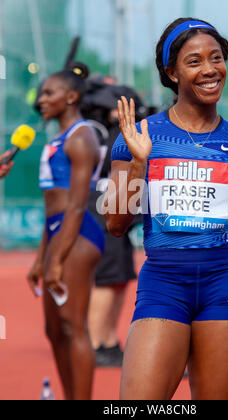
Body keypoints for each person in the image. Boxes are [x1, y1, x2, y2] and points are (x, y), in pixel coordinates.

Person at [104, 18, 228, 400]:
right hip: (164, 284)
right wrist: (139, 165)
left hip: (225, 287)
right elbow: (116, 224)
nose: (209, 69)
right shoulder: (136, 138)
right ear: (171, 72)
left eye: (216, 58)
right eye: (194, 61)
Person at [27, 64, 105, 400]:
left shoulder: (82, 136)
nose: (40, 100)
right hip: (57, 233)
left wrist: (56, 258)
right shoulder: (58, 138)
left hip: (78, 234)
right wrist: (41, 257)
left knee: (73, 326)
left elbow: (75, 206)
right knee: (54, 330)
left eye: (48, 93)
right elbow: (52, 211)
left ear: (71, 96)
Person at [87, 107, 137, 367]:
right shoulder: (93, 132)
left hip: (120, 218)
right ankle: (94, 344)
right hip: (100, 215)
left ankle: (108, 342)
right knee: (106, 279)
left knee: (119, 277)